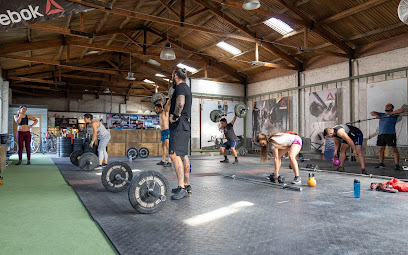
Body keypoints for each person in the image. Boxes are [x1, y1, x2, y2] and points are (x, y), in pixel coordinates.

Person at [168, 68, 192, 200]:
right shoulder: (187, 87)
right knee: (183, 155)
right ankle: (187, 185)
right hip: (185, 125)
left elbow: (180, 103)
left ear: (175, 75)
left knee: (174, 154)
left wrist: (175, 117)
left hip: (179, 124)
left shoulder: (180, 88)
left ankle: (181, 187)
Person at [370, 103, 405, 171]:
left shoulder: (395, 114)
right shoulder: (382, 114)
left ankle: (397, 165)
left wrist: (391, 113)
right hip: (381, 134)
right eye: (386, 105)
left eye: (389, 106)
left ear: (392, 108)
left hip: (390, 134)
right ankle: (381, 163)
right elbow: (372, 112)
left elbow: (402, 110)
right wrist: (376, 115)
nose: (387, 106)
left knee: (393, 149)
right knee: (380, 149)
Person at [155, 98, 172, 167]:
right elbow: (161, 106)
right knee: (163, 146)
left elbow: (167, 105)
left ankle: (170, 162)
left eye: (156, 109)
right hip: (162, 132)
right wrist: (160, 101)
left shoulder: (165, 112)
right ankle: (163, 160)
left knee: (168, 146)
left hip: (167, 131)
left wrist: (170, 97)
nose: (156, 110)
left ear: (159, 108)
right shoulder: (160, 113)